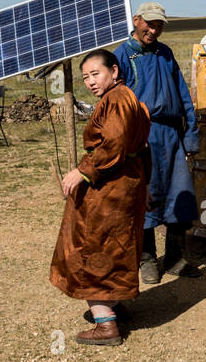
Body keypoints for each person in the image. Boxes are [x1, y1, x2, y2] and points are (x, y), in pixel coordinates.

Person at [50, 49, 151, 346]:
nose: (91, 82)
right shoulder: (126, 97)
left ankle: (106, 324)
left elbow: (114, 144)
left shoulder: (116, 100)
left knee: (91, 246)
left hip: (109, 187)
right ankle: (113, 304)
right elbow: (140, 147)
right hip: (126, 182)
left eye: (96, 74)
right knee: (116, 246)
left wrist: (82, 171)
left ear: (114, 72)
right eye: (85, 77)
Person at [115, 2, 200, 283]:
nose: (154, 30)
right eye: (149, 24)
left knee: (180, 196)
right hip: (142, 137)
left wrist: (190, 137)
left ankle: (176, 259)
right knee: (145, 200)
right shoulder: (122, 57)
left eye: (159, 25)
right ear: (137, 20)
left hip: (172, 136)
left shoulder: (165, 53)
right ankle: (147, 259)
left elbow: (183, 95)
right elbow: (114, 103)